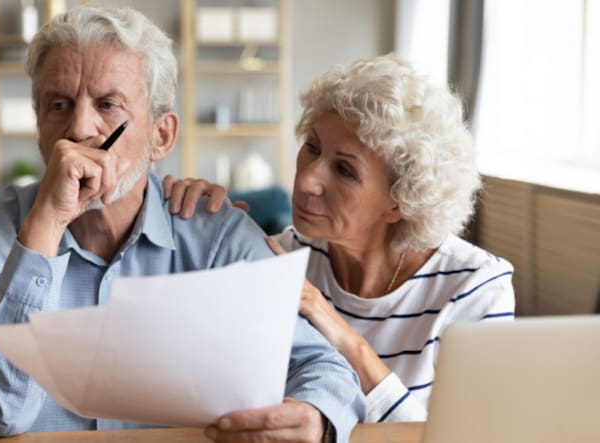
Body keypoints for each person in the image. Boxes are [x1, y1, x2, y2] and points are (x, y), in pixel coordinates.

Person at [0, 6, 365, 443]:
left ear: (162, 136)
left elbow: (322, 367)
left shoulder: (219, 239)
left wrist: (315, 415)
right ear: (40, 122)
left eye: (107, 105)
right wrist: (46, 225)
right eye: (59, 105)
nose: (79, 128)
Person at [164, 54, 516, 423]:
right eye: (313, 148)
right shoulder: (285, 255)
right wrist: (197, 228)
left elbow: (470, 436)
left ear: (400, 201)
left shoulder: (476, 288)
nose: (306, 180)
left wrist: (341, 334)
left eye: (345, 171)